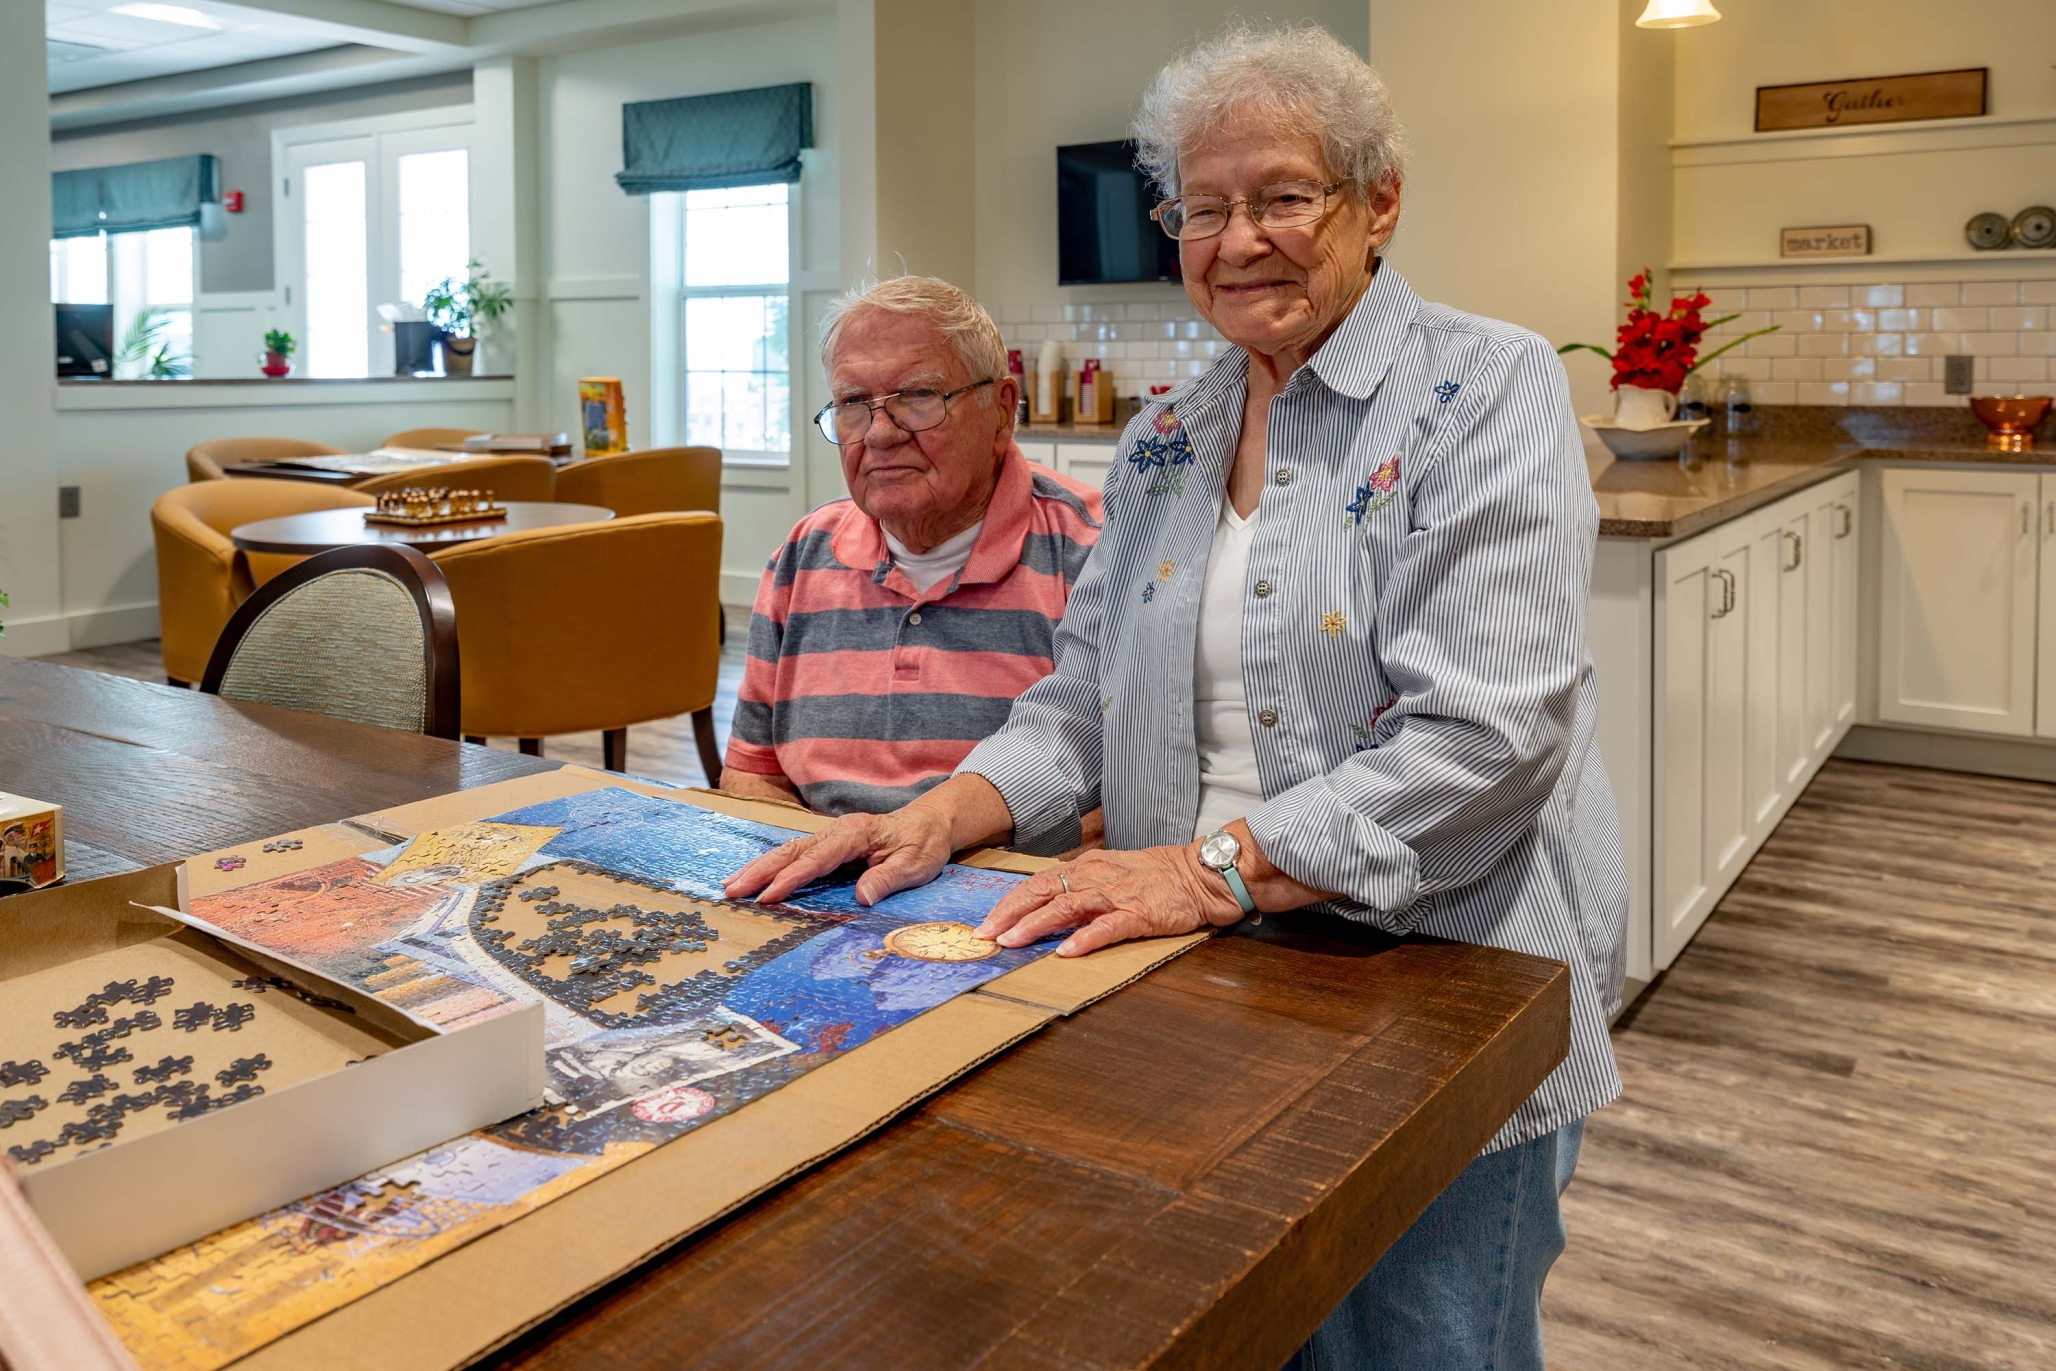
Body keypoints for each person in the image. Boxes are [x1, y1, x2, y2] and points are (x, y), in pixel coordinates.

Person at [727, 20, 1627, 1368]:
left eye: (1280, 196)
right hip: (1220, 979)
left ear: (1378, 203)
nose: (1238, 237)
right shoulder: (1166, 438)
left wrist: (1207, 871)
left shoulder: (1482, 387)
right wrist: (951, 808)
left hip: (1439, 973)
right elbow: (1081, 693)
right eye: (1203, 208)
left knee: (1426, 1340)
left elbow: (1486, 736)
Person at [721, 276, 1103, 822]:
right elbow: (752, 775)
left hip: (1004, 890)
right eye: (853, 402)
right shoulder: (803, 556)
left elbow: (1119, 803)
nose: (879, 433)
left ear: (1002, 411)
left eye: (919, 397)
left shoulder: (1092, 555)